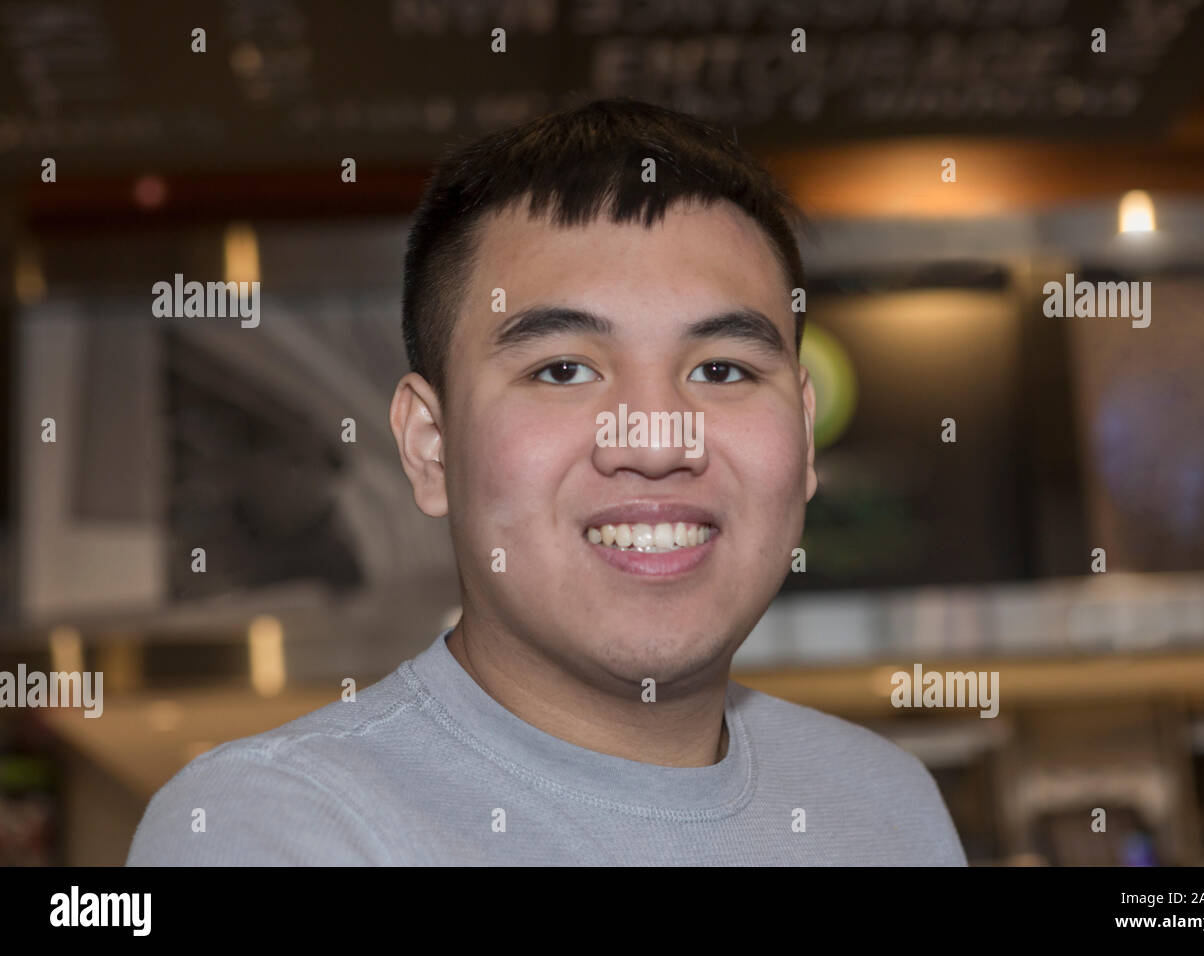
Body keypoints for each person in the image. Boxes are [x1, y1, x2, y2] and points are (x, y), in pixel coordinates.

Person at [127, 98, 967, 865]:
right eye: (564, 370)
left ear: (806, 438)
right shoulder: (277, 828)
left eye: (721, 369)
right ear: (430, 448)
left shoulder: (887, 808)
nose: (652, 439)